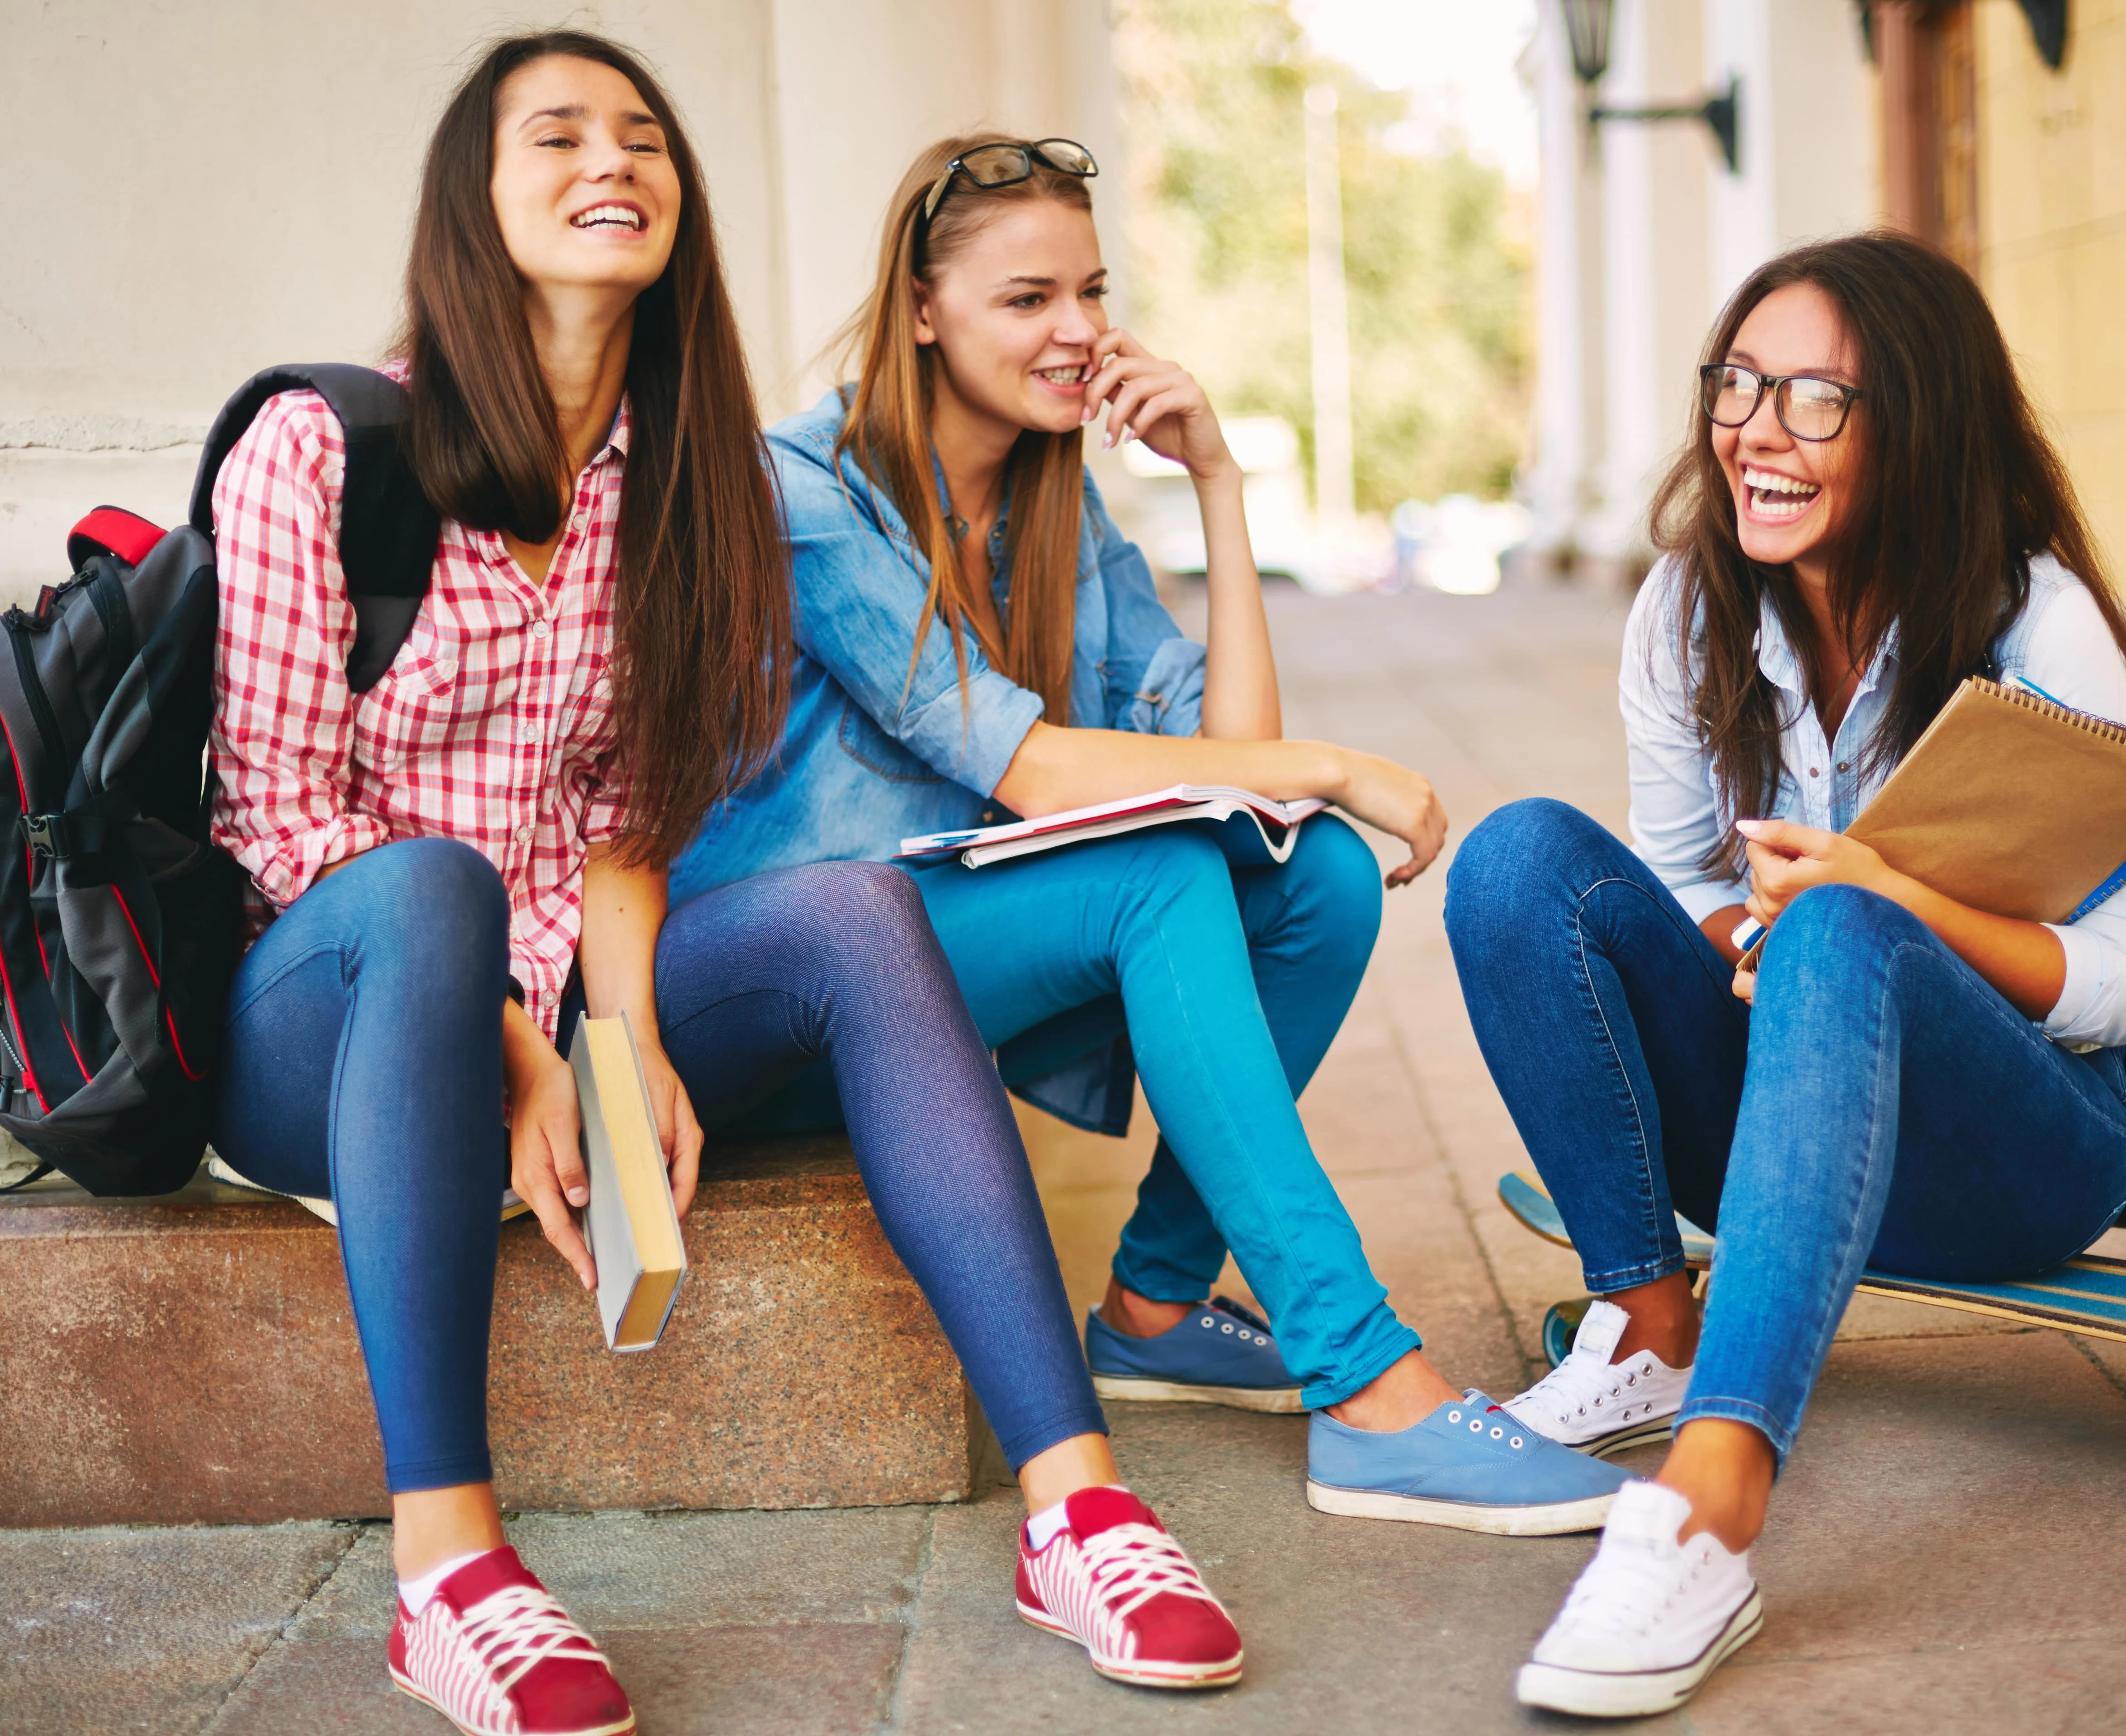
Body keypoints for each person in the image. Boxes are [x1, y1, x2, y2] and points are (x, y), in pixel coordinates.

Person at [208, 40, 1242, 1736]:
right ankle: (449, 1577)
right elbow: (275, 811)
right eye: (560, 134)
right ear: (475, 197)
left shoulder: (677, 481)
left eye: (645, 140)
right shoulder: (323, 447)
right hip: (326, 1023)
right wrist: (525, 1061)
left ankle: (1080, 1509)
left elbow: (629, 818)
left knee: (857, 909)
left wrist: (626, 1055)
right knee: (431, 889)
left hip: (555, 983)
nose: (614, 159)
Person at [670, 132, 1630, 1536]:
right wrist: (1337, 761)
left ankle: (1153, 1302)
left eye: (1092, 292)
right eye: (1026, 299)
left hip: (934, 960)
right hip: (778, 993)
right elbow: (1016, 758)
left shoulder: (1058, 511)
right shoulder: (803, 493)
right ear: (921, 310)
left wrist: (1219, 487)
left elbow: (1238, 770)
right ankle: (1363, 1382)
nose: (1078, 332)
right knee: (1160, 873)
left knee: (1324, 884)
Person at [1444, 231, 2126, 1718]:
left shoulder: (2040, 625)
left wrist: (1880, 902)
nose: (1756, 432)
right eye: (1740, 384)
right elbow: (1693, 896)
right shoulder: (1689, 607)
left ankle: (1710, 1505)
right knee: (1520, 858)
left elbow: (2123, 988)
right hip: (1788, 1123)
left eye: (1816, 400)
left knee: (1845, 926)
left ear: (1920, 425)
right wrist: (1747, 937)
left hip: (2025, 1153)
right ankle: (1648, 1329)